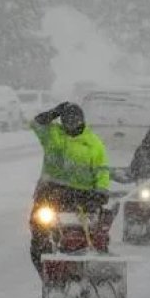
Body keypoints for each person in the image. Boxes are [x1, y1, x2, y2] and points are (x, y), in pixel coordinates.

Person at [28, 101, 111, 276]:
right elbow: (35, 123)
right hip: (49, 195)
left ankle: (89, 269)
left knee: (88, 235)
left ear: (82, 121)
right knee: (40, 238)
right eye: (67, 120)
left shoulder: (93, 144)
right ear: (62, 121)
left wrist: (101, 192)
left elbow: (102, 172)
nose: (72, 124)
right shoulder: (52, 134)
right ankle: (49, 278)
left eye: (76, 120)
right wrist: (53, 112)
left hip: (82, 198)